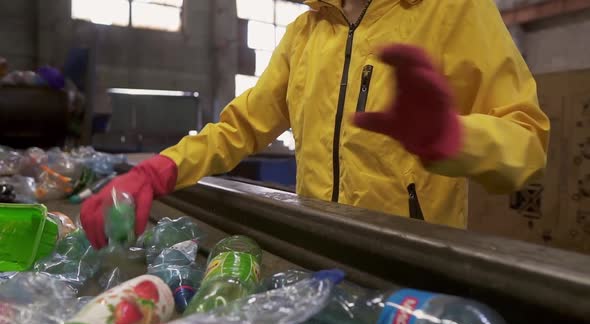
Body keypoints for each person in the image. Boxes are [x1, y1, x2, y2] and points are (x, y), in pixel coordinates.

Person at [81, 0, 550, 249]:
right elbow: (239, 127)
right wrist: (159, 170)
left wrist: (454, 137)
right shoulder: (305, 32)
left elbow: (527, 144)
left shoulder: (454, 10)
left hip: (411, 265)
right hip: (317, 253)